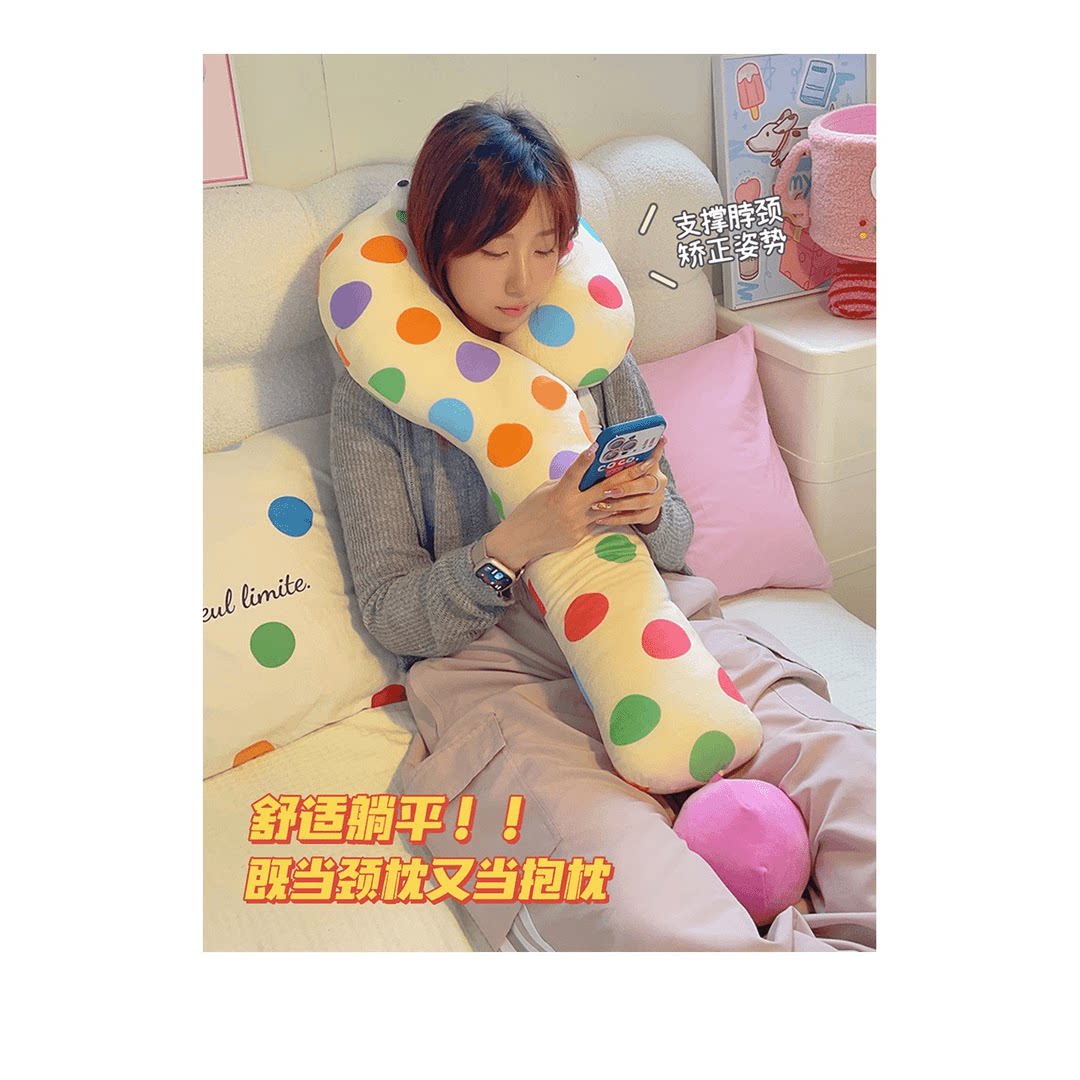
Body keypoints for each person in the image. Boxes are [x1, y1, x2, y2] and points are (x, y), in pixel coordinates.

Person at [330, 100, 876, 952]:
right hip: (503, 676)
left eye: (545, 247)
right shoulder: (377, 390)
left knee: (864, 791)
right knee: (651, 915)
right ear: (439, 246)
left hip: (660, 627)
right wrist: (516, 542)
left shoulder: (589, 346)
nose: (523, 281)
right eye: (493, 250)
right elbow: (392, 612)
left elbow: (678, 535)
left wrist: (651, 509)